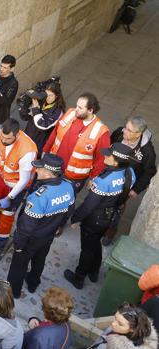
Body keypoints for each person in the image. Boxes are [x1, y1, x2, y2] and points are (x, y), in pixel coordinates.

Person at [64, 143, 136, 289]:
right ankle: (94, 271)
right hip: (110, 216)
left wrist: (76, 218)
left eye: (108, 155)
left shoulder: (104, 181)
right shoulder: (130, 172)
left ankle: (79, 277)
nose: (105, 155)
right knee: (95, 243)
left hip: (95, 219)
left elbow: (89, 205)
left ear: (115, 162)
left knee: (87, 249)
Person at [6, 154, 75, 298]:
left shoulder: (40, 196)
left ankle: (14, 291)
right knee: (39, 260)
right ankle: (33, 283)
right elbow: (69, 209)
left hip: (31, 238)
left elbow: (27, 226)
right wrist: (59, 226)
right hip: (48, 236)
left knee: (18, 266)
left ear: (47, 172)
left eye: (39, 168)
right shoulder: (68, 186)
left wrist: (18, 244)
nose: (36, 171)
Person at [0, 119, 37, 259]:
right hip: (0, 180)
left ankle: (0, 244)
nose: (4, 140)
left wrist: (9, 197)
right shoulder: (0, 135)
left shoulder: (27, 151)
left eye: (8, 138)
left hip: (15, 186)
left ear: (16, 135)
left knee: (6, 215)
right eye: (3, 137)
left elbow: (23, 181)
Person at [102, 116, 157, 246]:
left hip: (124, 186)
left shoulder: (147, 151)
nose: (124, 131)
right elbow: (107, 149)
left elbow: (149, 171)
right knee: (99, 201)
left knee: (116, 210)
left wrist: (136, 189)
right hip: (107, 177)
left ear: (138, 134)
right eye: (125, 127)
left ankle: (109, 232)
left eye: (129, 130)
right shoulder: (119, 134)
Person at [43, 92, 111, 193]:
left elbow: (101, 159)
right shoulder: (70, 113)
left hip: (73, 177)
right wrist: (45, 149)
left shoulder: (101, 131)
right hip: (53, 166)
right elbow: (56, 132)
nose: (76, 110)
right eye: (76, 106)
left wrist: (93, 178)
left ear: (90, 110)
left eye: (80, 108)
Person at [20, 82, 66, 154]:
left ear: (57, 96)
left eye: (50, 95)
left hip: (38, 144)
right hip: (27, 137)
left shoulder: (58, 112)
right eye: (46, 95)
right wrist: (24, 106)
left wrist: (35, 109)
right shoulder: (40, 100)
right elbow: (25, 118)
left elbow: (43, 126)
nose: (47, 97)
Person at [90, 303, 158, 349]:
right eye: (115, 318)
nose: (113, 323)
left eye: (120, 324)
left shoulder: (117, 346)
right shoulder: (121, 330)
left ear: (133, 329)